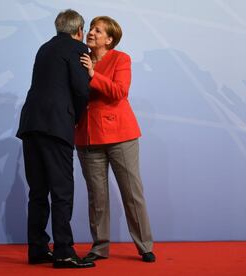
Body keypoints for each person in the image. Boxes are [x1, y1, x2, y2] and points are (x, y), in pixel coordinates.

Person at [16, 9, 95, 269]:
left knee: (38, 191)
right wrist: (76, 116)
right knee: (62, 191)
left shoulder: (44, 48)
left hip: (30, 124)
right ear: (79, 30)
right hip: (56, 125)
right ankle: (63, 252)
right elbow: (82, 89)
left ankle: (37, 249)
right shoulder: (78, 48)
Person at [76, 16, 156, 263]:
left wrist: (92, 74)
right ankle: (100, 247)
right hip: (87, 135)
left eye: (98, 31)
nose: (91, 33)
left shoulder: (121, 59)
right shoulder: (78, 56)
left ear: (109, 39)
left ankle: (145, 246)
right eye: (91, 29)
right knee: (97, 196)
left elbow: (120, 92)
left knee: (132, 192)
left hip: (120, 134)